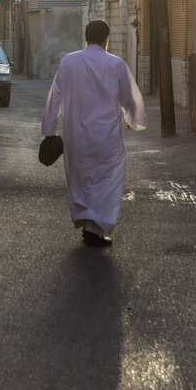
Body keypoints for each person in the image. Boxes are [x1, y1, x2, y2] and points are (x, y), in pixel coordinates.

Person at [42, 19, 146, 247]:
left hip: (76, 135)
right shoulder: (116, 65)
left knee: (82, 179)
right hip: (106, 136)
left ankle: (89, 225)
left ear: (86, 38)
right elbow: (131, 98)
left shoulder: (69, 62)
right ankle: (95, 228)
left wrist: (49, 130)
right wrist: (133, 121)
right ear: (106, 39)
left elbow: (54, 97)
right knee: (107, 180)